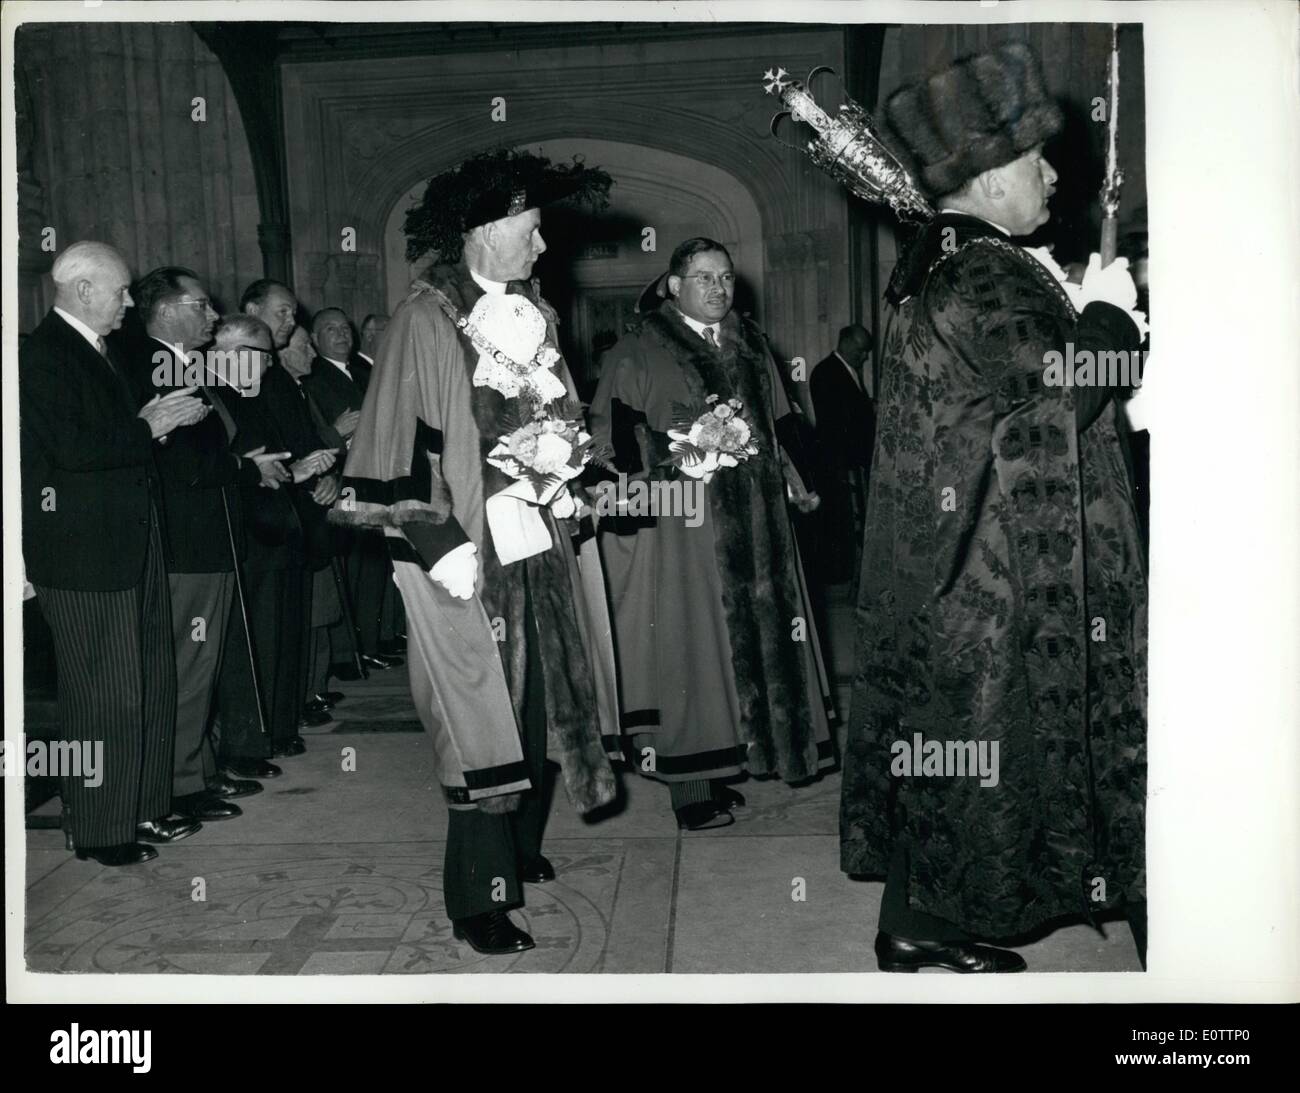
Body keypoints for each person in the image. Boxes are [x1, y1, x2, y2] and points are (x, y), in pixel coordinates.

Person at [839, 43, 1149, 972]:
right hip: (991, 568)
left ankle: (916, 924)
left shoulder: (945, 259)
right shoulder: (983, 271)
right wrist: (1110, 320)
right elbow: (1058, 393)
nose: (1053, 172)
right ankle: (926, 923)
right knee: (978, 747)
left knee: (953, 746)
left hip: (955, 552)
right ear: (980, 174)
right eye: (1032, 159)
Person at [332, 148, 618, 956]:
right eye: (530, 232)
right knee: (476, 724)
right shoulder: (423, 321)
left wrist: (575, 477)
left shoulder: (539, 317)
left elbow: (561, 423)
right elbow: (394, 448)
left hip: (536, 540)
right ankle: (482, 897)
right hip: (462, 554)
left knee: (539, 702)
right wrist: (438, 543)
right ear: (489, 232)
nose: (541, 247)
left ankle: (521, 850)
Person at [589, 237, 836, 831]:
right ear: (673, 286)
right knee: (692, 648)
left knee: (750, 649)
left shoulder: (750, 343)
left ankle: (742, 756)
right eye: (703, 277)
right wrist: (672, 468)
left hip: (761, 523)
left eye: (725, 277)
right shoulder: (638, 350)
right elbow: (610, 445)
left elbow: (780, 425)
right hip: (684, 527)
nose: (719, 288)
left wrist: (800, 484)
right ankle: (690, 784)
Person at [20, 241, 207, 865]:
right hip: (83, 554)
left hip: (131, 542)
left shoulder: (99, 352)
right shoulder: (41, 356)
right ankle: (101, 829)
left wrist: (153, 420)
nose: (130, 301)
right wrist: (146, 427)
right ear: (81, 291)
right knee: (104, 695)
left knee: (152, 679)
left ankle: (147, 807)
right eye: (121, 291)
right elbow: (72, 448)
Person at [119, 266, 288, 823]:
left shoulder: (184, 364)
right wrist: (244, 467)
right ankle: (176, 786)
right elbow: (182, 464)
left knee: (201, 667)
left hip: (208, 538)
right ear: (166, 310)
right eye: (201, 306)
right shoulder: (147, 363)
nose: (213, 316)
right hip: (185, 541)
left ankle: (196, 772)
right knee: (185, 669)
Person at [209, 313, 336, 773]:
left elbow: (278, 460)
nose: (269, 367)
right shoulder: (212, 397)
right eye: (264, 358)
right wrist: (286, 473)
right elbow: (231, 471)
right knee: (254, 644)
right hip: (248, 537)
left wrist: (302, 471)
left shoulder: (255, 395)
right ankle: (246, 745)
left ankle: (276, 731)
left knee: (281, 636)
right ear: (235, 354)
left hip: (281, 531)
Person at [304, 307, 398, 677]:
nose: (341, 334)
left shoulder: (363, 372)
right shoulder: (313, 379)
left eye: (345, 327)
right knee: (353, 568)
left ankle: (371, 643)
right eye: (330, 329)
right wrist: (337, 431)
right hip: (341, 481)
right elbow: (315, 433)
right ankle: (350, 653)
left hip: (374, 477)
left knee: (374, 566)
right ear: (315, 339)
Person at [810, 323, 875, 585]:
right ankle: (840, 576)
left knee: (845, 522)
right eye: (861, 350)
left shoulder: (846, 370)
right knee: (840, 522)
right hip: (837, 462)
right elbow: (838, 421)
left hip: (846, 461)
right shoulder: (826, 372)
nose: (865, 357)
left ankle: (847, 574)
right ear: (845, 342)